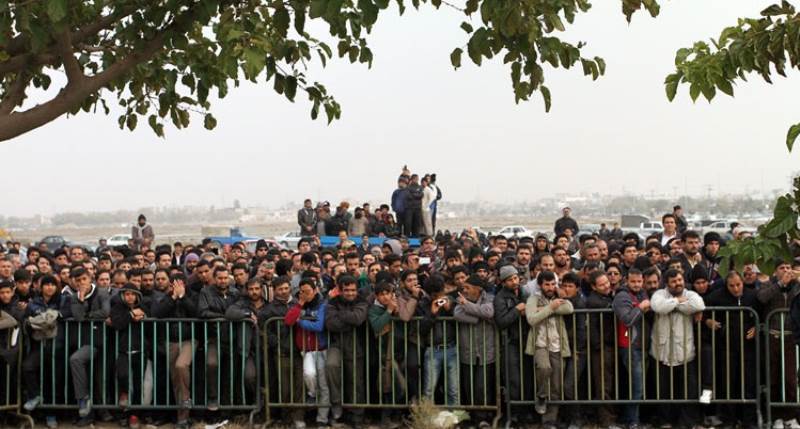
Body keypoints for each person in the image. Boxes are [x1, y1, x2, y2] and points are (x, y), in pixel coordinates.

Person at [650, 269, 705, 429]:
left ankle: (686, 423)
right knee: (663, 391)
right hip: (662, 352)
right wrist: (679, 302)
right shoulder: (659, 294)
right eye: (674, 281)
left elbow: (698, 304)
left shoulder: (690, 293)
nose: (678, 283)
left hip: (685, 352)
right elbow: (658, 306)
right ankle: (665, 421)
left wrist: (674, 304)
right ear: (667, 283)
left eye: (680, 280)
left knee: (688, 390)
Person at [704, 271, 760, 429]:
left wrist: (757, 327)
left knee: (748, 383)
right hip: (726, 346)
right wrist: (708, 320)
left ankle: (749, 420)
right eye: (732, 286)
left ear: (742, 282)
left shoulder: (752, 296)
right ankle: (729, 419)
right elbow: (703, 311)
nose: (736, 289)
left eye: (738, 285)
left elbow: (763, 315)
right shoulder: (716, 296)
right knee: (728, 383)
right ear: (726, 285)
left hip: (748, 347)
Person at [61, 267, 111, 425]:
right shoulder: (75, 297)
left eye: (84, 279)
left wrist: (88, 315)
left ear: (90, 278)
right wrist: (81, 300)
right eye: (78, 281)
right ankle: (85, 408)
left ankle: (95, 408)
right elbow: (78, 317)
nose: (81, 283)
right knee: (85, 373)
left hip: (98, 341)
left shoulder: (102, 293)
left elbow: (105, 312)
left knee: (98, 377)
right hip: (82, 341)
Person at [525, 271, 573, 429]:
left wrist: (544, 309)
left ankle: (549, 421)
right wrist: (551, 307)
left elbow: (569, 309)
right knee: (544, 368)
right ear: (540, 285)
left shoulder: (559, 297)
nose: (551, 287)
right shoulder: (533, 298)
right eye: (547, 284)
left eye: (553, 284)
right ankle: (541, 395)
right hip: (540, 344)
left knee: (556, 384)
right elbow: (531, 318)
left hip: (558, 345)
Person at [150, 273, 198, 429]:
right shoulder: (164, 297)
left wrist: (182, 297)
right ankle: (182, 418)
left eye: (180, 284)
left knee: (181, 366)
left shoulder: (193, 296)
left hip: (189, 340)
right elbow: (157, 313)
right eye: (174, 284)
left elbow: (196, 313)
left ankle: (185, 403)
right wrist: (173, 298)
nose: (177, 287)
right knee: (176, 379)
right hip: (170, 341)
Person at [758, 262, 800, 429]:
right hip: (773, 337)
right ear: (775, 271)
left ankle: (791, 416)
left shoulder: (797, 285)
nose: (786, 271)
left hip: (791, 338)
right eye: (782, 268)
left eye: (789, 268)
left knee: (790, 380)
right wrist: (780, 284)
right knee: (773, 379)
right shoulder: (769, 284)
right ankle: (775, 416)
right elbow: (762, 298)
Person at [284, 278, 330, 427]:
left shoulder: (322, 305)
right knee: (309, 374)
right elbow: (288, 320)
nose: (305, 295)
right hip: (307, 350)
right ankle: (312, 394)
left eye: (308, 292)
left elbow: (319, 326)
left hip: (321, 348)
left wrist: (301, 322)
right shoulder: (297, 305)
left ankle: (322, 419)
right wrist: (300, 305)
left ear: (315, 290)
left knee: (323, 384)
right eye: (302, 292)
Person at [324, 275, 369, 424]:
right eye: (346, 290)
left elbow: (358, 318)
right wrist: (350, 320)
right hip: (336, 344)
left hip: (356, 345)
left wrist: (341, 315)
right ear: (340, 290)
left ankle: (357, 414)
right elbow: (331, 324)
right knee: (331, 365)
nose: (350, 293)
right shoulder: (332, 302)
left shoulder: (361, 301)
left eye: (353, 290)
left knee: (356, 381)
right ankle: (336, 406)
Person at [454, 274, 495, 428]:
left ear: (478, 289)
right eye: (463, 288)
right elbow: (457, 314)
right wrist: (477, 316)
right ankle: (471, 418)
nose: (464, 290)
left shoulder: (489, 298)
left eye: (467, 288)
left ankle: (484, 418)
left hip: (486, 350)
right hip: (468, 349)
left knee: (482, 387)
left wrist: (468, 306)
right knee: (469, 386)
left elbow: (489, 312)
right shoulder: (461, 300)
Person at [493, 265, 533, 422]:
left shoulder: (525, 292)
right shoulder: (500, 298)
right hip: (510, 342)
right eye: (510, 280)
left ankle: (528, 411)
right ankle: (514, 413)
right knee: (513, 379)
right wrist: (517, 311)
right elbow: (501, 321)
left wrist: (525, 310)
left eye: (515, 278)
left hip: (526, 340)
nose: (514, 282)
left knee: (528, 378)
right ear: (503, 282)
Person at [612, 268, 650, 429]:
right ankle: (633, 421)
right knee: (636, 386)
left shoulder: (643, 294)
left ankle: (632, 418)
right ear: (627, 281)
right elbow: (627, 319)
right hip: (629, 346)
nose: (637, 285)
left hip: (643, 345)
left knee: (638, 385)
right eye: (633, 281)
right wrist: (641, 308)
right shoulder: (622, 296)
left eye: (639, 281)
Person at [198, 265, 239, 410]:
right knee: (212, 364)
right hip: (213, 337)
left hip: (232, 338)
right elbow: (203, 312)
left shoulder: (235, 293)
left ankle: (229, 405)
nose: (223, 281)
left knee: (230, 371)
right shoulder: (206, 292)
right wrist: (224, 317)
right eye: (220, 278)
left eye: (225, 278)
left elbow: (240, 309)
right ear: (214, 279)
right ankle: (212, 398)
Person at [110, 283, 149, 429]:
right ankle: (124, 402)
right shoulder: (117, 308)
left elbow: (150, 318)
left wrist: (143, 315)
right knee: (122, 375)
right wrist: (131, 315)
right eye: (127, 294)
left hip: (141, 350)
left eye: (133, 294)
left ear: (137, 296)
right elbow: (117, 323)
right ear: (122, 296)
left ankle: (135, 415)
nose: (130, 297)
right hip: (123, 350)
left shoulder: (144, 307)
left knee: (139, 384)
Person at [585, 270, 619, 428]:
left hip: (610, 345)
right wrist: (598, 346)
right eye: (602, 284)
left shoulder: (608, 296)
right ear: (593, 287)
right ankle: (607, 420)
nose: (607, 285)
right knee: (604, 386)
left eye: (607, 282)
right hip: (601, 347)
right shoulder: (594, 301)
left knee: (610, 383)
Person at [420, 274, 458, 406]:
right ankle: (426, 419)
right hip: (432, 350)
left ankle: (454, 419)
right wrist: (431, 314)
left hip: (452, 348)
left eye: (441, 293)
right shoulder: (423, 304)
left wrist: (450, 310)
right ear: (430, 294)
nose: (439, 298)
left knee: (453, 389)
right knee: (429, 389)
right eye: (435, 295)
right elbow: (421, 330)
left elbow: (460, 323)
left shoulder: (451, 300)